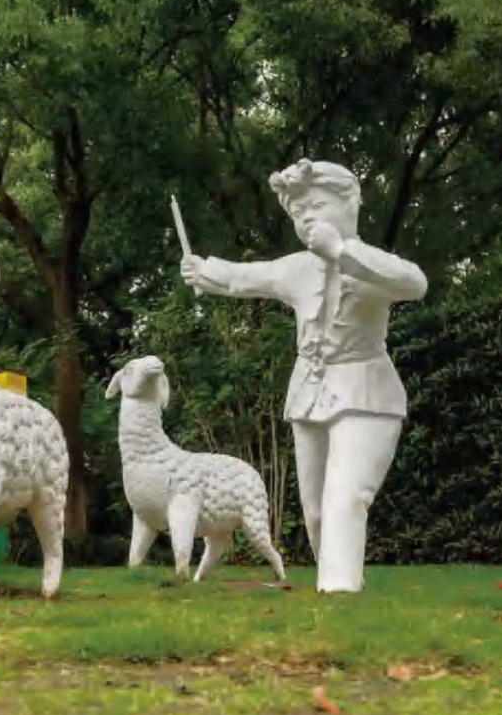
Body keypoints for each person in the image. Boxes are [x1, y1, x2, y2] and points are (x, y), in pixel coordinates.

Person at [180, 159, 428, 592]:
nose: (307, 217)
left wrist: (342, 252)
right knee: (314, 510)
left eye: (316, 206)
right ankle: (337, 579)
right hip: (310, 390)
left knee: (346, 496)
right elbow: (245, 277)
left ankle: (339, 589)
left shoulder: (370, 263)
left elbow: (415, 283)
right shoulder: (297, 268)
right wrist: (204, 271)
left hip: (366, 388)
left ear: (349, 204)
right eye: (298, 212)